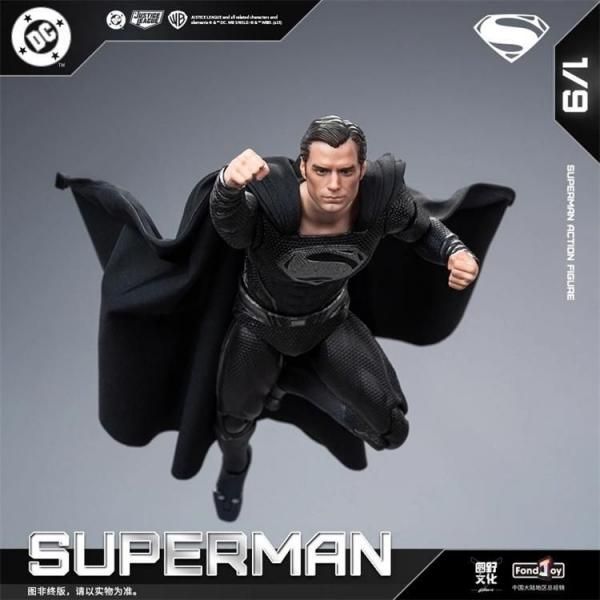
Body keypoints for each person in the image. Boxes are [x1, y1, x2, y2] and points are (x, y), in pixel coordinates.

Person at [209, 115, 479, 521]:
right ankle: (234, 469)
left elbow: (423, 229)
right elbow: (230, 228)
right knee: (233, 424)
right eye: (322, 171)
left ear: (362, 170)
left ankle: (298, 383)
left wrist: (453, 250)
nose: (334, 185)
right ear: (303, 167)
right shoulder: (272, 205)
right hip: (258, 328)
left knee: (392, 430)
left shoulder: (378, 205)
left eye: (346, 171)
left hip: (328, 325)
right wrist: (228, 185)